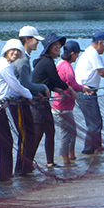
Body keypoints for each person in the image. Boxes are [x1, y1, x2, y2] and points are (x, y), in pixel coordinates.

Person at [0, 40, 35, 182]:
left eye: (19, 51)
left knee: (7, 142)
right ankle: (2, 178)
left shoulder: (5, 64)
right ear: (6, 50)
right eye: (13, 50)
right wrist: (30, 95)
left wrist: (22, 95)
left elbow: (11, 89)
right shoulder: (4, 66)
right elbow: (16, 86)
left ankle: (6, 177)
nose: (16, 53)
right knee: (3, 144)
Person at [9, 25, 49, 176]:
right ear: (27, 40)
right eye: (35, 40)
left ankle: (25, 167)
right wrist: (43, 88)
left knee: (28, 133)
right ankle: (22, 170)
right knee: (26, 135)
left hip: (21, 100)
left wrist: (35, 92)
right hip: (17, 102)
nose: (37, 43)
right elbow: (25, 84)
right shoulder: (23, 58)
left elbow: (25, 84)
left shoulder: (24, 56)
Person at [31, 32, 72, 166]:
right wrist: (70, 90)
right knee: (38, 133)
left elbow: (49, 82)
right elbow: (56, 80)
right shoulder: (46, 61)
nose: (58, 47)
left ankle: (50, 162)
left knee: (50, 131)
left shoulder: (48, 61)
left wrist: (59, 90)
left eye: (59, 44)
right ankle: (28, 161)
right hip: (36, 102)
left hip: (43, 101)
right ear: (48, 47)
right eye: (55, 45)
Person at [53, 41, 85, 166]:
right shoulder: (66, 66)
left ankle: (72, 156)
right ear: (72, 53)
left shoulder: (60, 64)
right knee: (66, 133)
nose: (77, 57)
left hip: (62, 105)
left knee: (72, 131)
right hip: (62, 105)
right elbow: (71, 83)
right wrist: (82, 88)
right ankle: (66, 161)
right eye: (77, 54)